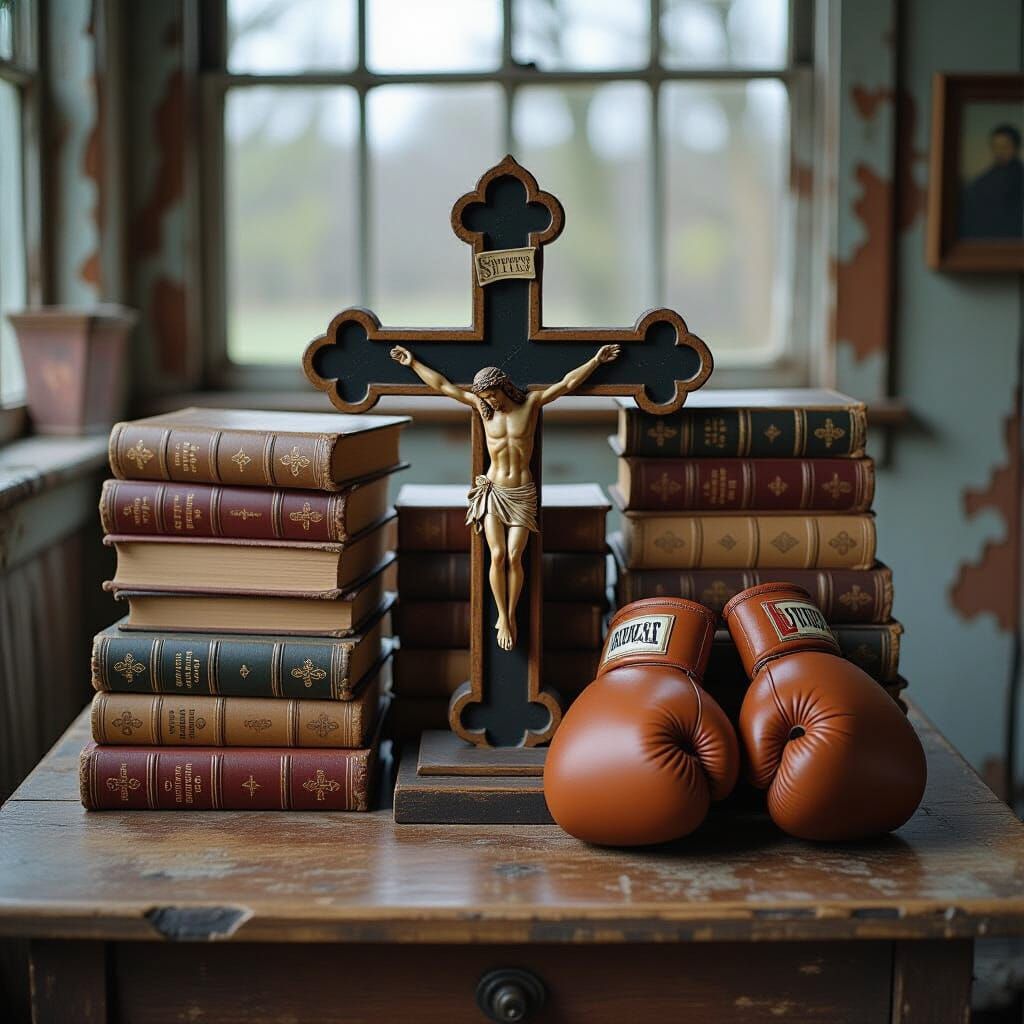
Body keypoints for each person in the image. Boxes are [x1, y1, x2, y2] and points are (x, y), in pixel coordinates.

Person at [390, 343, 621, 651]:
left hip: (522, 492)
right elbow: (443, 386)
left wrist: (596, 360)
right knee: (497, 555)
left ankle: (510, 612)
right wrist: (412, 363)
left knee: (515, 556)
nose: (490, 402)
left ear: (503, 387)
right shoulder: (483, 410)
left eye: (492, 395)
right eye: (484, 398)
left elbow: (567, 383)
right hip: (494, 492)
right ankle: (505, 617)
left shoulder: (531, 405)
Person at [960, 122, 1024, 240]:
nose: (1000, 151)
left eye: (1005, 147)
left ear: (1016, 147)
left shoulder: (1020, 176)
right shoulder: (982, 182)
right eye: (996, 147)